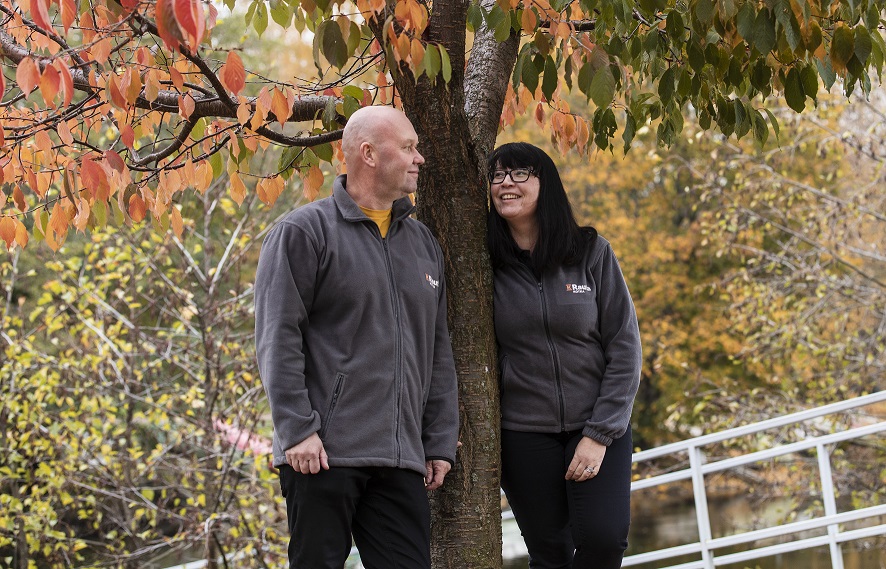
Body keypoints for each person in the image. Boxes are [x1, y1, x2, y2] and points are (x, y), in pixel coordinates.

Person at [254, 106, 459, 569]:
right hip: (322, 454)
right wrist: (298, 431)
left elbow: (437, 349)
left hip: (402, 457)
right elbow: (277, 337)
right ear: (368, 153)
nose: (419, 158)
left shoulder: (423, 244)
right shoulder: (303, 233)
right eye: (408, 147)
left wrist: (439, 440)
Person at [487, 142, 642, 569]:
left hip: (596, 427)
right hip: (523, 434)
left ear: (545, 183)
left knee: (605, 541)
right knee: (549, 554)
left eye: (520, 173)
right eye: (497, 176)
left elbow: (625, 348)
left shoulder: (590, 252)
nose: (506, 183)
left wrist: (599, 434)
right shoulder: (485, 264)